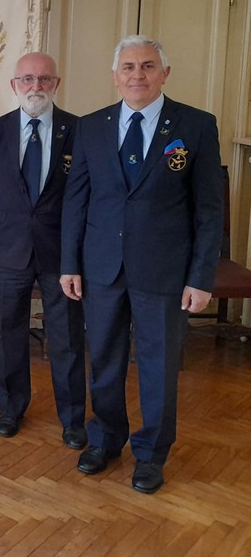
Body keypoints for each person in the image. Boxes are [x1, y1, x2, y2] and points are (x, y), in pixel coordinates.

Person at [61, 36, 223, 494]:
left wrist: (201, 276)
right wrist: (69, 263)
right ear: (115, 76)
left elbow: (209, 209)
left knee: (159, 365)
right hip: (102, 268)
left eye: (147, 66)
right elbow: (77, 201)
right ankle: (105, 439)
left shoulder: (195, 125)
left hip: (165, 271)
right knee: (105, 360)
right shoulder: (92, 126)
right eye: (128, 67)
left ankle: (151, 454)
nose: (137, 75)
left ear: (164, 73)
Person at [0, 53, 86, 446]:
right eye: (26, 79)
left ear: (56, 83)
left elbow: (84, 194)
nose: (35, 87)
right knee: (8, 334)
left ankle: (73, 419)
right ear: (14, 85)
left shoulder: (78, 130)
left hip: (63, 254)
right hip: (10, 250)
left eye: (43, 79)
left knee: (68, 337)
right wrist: (8, 230)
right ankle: (10, 409)